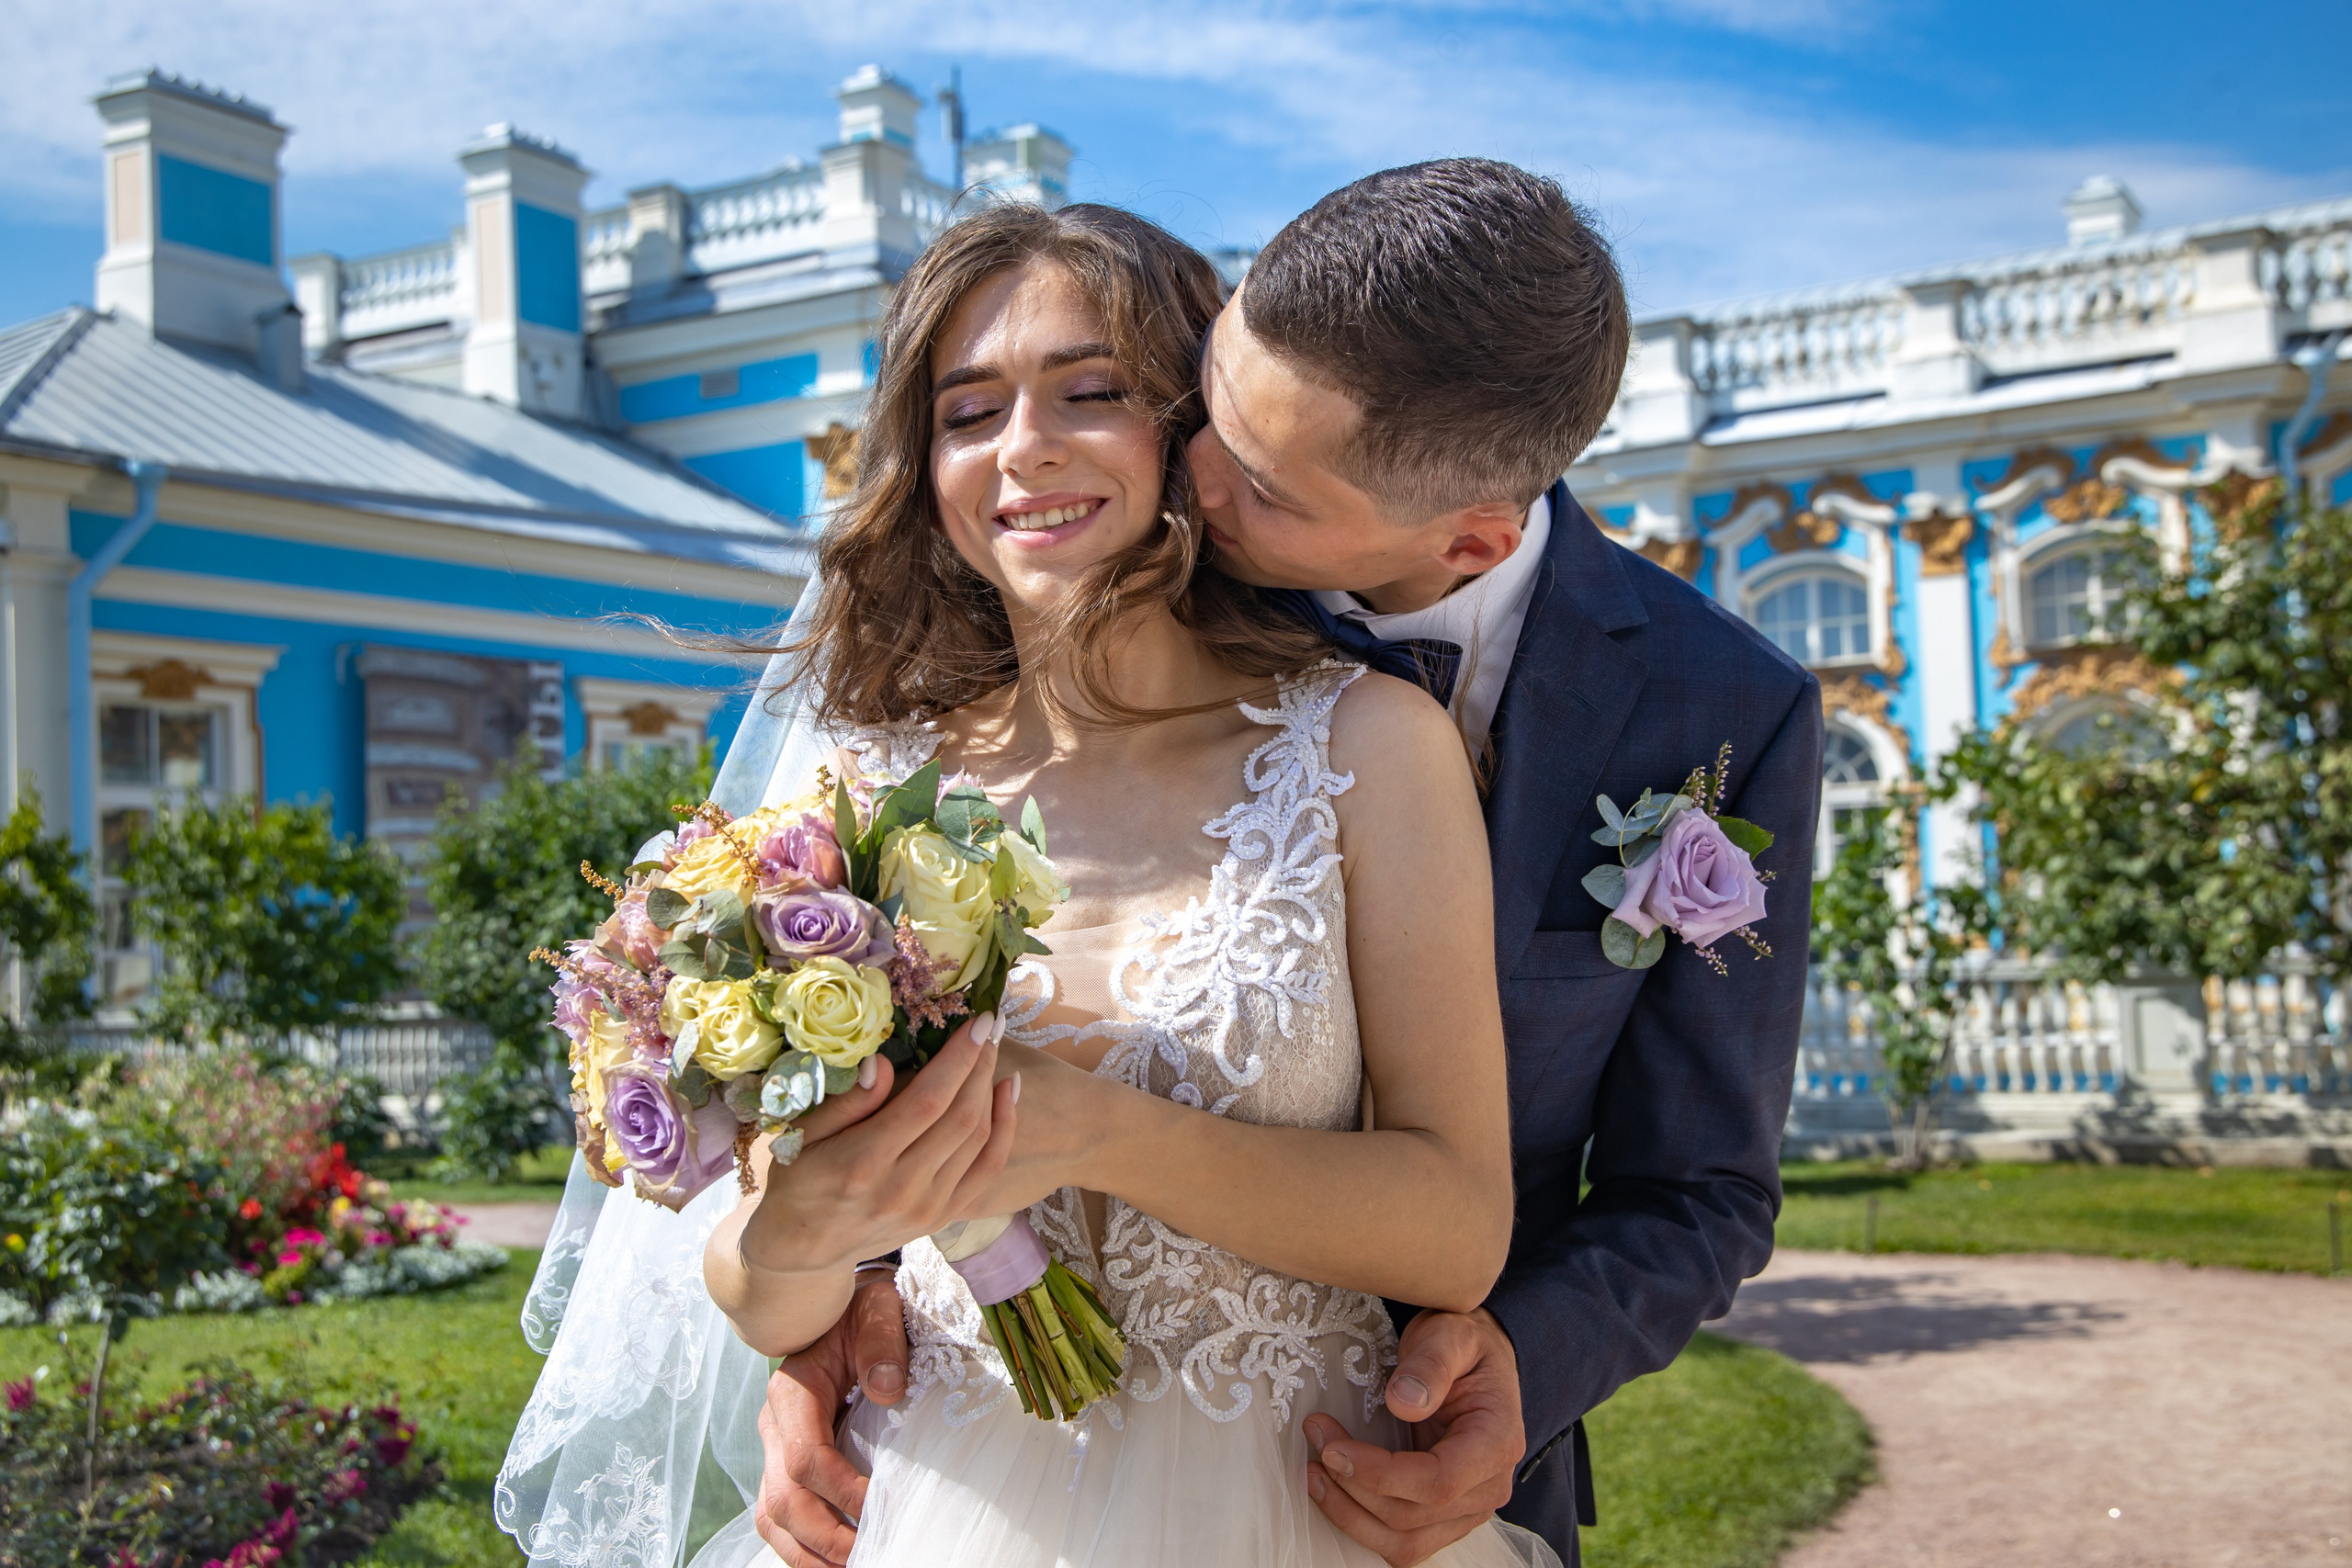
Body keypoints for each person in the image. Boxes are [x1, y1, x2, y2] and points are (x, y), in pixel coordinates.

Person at [749, 162, 1824, 1567]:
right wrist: (828, 1301)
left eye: (1252, 479)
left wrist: (1521, 1365)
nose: (1194, 471)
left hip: (1360, 1467)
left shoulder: (1710, 715)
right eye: (1203, 399)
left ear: (1471, 540)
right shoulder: (995, 671)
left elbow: (1697, 1184)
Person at [499, 197, 1560, 1568]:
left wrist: (1099, 1133)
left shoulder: (1366, 746)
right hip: (941, 1500)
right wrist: (801, 1239)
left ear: (1194, 427)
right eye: (968, 411)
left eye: (1090, 391)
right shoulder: (856, 799)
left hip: (1290, 1498)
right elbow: (764, 1283)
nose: (1024, 447)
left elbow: (1458, 1231)